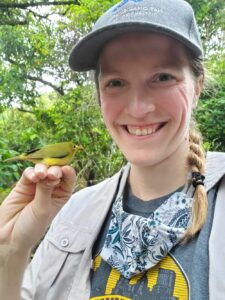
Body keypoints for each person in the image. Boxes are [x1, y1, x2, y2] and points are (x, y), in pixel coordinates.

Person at [0, 0, 225, 299]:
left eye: (162, 77)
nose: (139, 107)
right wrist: (11, 252)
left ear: (196, 87)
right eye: (116, 82)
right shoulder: (72, 213)